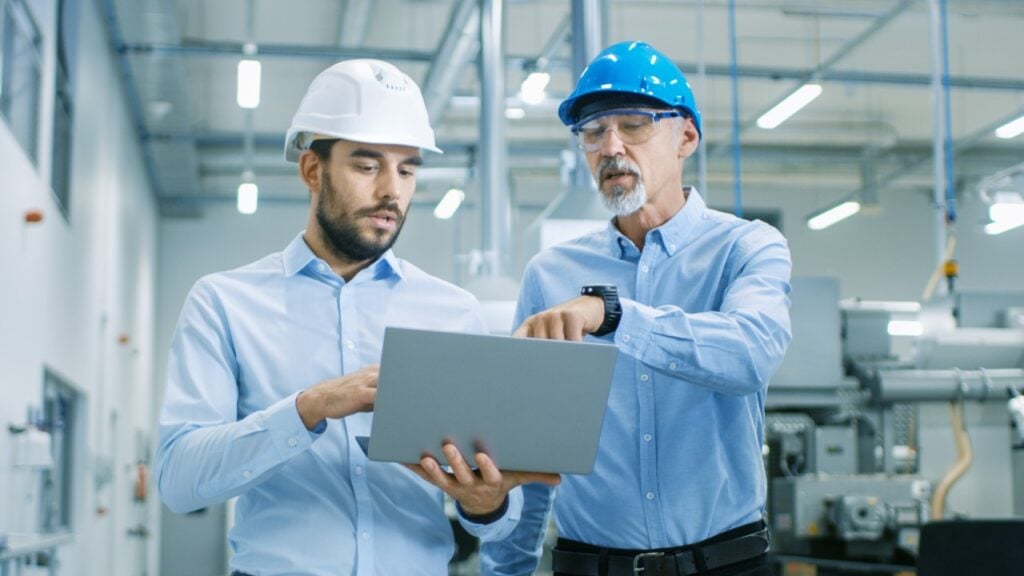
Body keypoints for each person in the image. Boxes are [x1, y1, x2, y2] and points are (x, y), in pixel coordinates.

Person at [156, 59, 557, 576]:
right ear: (311, 170)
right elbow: (178, 480)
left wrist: (486, 502)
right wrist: (309, 407)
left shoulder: (453, 313)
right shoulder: (224, 303)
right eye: (368, 167)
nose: (392, 190)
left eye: (407, 169)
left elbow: (500, 519)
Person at [481, 41, 792, 576]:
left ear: (686, 136)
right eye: (594, 132)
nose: (611, 147)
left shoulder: (747, 248)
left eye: (635, 124)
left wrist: (614, 313)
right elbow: (529, 458)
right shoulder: (550, 275)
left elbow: (749, 354)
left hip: (728, 564)